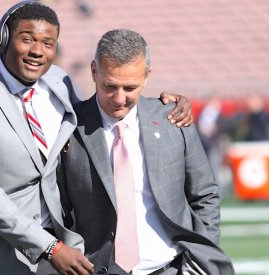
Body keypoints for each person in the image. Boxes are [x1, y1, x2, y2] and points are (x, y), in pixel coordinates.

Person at [0, 1, 193, 275]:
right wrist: (51, 247)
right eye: (27, 39)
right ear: (3, 38)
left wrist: (161, 108)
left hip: (50, 255)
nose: (37, 51)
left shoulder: (59, 81)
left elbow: (101, 122)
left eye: (48, 43)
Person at [57, 29, 234, 275]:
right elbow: (59, 211)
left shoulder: (173, 120)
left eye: (130, 87)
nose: (119, 99)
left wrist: (201, 257)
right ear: (94, 71)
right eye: (110, 86)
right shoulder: (68, 127)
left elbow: (204, 195)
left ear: (147, 77)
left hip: (172, 268)